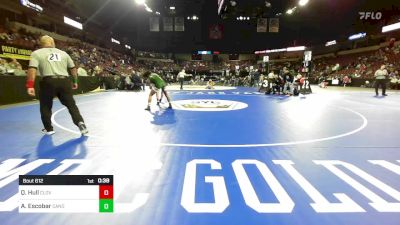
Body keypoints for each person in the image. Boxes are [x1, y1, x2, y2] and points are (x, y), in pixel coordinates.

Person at [26, 35, 88, 135]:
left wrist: (30, 85)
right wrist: (75, 81)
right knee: (71, 105)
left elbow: (32, 69)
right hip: (64, 81)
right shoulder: (64, 54)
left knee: (45, 106)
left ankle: (49, 129)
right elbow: (73, 69)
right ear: (52, 42)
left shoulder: (36, 53)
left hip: (48, 81)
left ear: (41, 44)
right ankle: (80, 123)